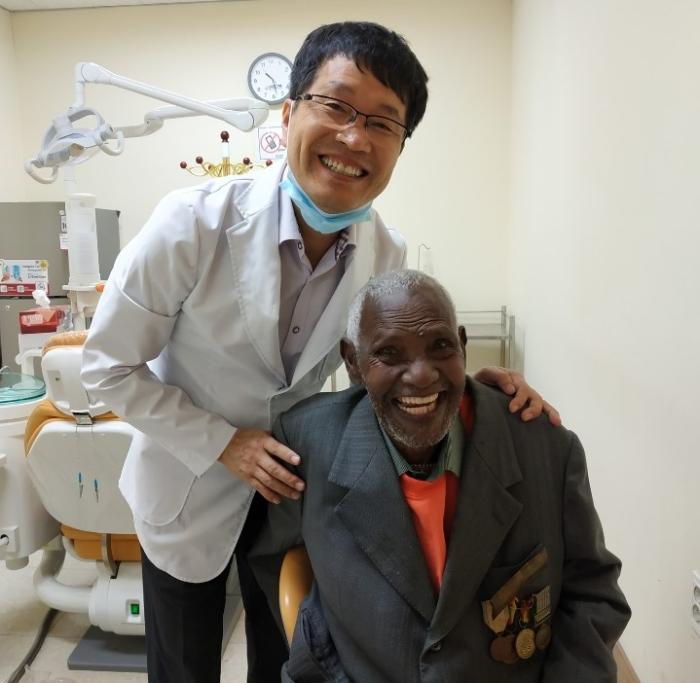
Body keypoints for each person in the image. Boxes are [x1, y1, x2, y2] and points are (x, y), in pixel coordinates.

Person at [81, 22, 559, 683]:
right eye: (335, 106)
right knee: (183, 665)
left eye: (382, 122)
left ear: (399, 145)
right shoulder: (191, 224)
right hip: (186, 484)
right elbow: (106, 368)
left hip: (292, 494)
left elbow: (386, 373)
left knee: (287, 658)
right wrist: (224, 443)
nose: (355, 138)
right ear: (288, 114)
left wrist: (475, 390)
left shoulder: (384, 251)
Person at [250, 270, 630, 683]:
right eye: (389, 353)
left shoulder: (545, 448)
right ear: (353, 362)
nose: (421, 375)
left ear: (463, 347)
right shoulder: (306, 443)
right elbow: (276, 564)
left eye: (441, 346)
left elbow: (592, 591)